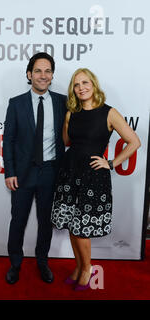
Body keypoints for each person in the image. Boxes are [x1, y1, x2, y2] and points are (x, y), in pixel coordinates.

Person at [51, 68, 141, 291]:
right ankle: (78, 266)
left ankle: (87, 269)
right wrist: (66, 121)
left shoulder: (109, 113)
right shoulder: (72, 112)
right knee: (73, 225)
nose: (81, 87)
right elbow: (66, 141)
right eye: (76, 84)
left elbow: (134, 142)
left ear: (94, 85)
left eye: (85, 82)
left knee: (82, 228)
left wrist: (111, 163)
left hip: (93, 178)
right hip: (70, 173)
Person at [3, 52, 67, 284]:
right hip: (22, 174)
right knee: (18, 221)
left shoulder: (62, 101)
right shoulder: (16, 103)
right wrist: (9, 171)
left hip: (51, 172)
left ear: (52, 75)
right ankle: (15, 264)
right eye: (38, 71)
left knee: (45, 222)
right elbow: (8, 140)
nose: (43, 75)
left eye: (47, 71)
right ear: (29, 74)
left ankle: (42, 262)